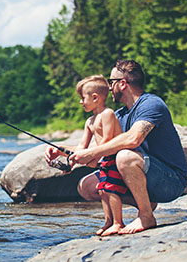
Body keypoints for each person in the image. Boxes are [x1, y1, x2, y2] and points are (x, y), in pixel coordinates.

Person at [68, 59, 187, 235]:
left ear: (122, 83)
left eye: (111, 82)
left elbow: (134, 139)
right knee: (86, 186)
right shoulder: (120, 114)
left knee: (124, 156)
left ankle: (146, 215)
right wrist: (60, 150)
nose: (109, 88)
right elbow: (100, 146)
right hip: (147, 175)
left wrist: (92, 153)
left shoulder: (152, 104)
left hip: (171, 181)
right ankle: (145, 203)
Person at [47, 75, 127, 236]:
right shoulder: (89, 121)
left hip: (113, 158)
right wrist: (69, 162)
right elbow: (81, 147)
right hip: (103, 159)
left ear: (95, 97)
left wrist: (94, 158)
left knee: (111, 190)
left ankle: (118, 223)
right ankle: (108, 222)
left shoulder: (108, 114)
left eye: (82, 98)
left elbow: (107, 139)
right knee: (102, 190)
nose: (80, 102)